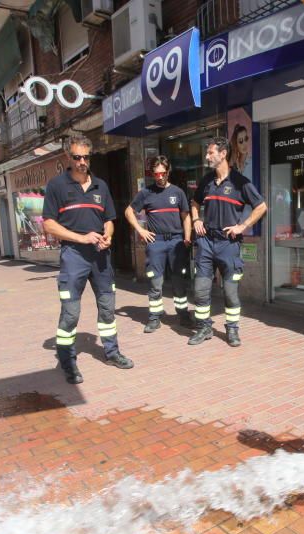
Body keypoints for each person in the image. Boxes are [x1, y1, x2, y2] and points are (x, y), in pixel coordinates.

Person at [42, 133, 134, 384]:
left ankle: (112, 353)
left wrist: (109, 235)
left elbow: (109, 220)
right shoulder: (57, 186)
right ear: (67, 157)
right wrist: (80, 238)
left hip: (101, 257)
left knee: (107, 308)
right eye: (77, 157)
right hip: (74, 256)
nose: (82, 161)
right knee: (71, 312)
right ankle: (67, 360)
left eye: (86, 157)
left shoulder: (100, 186)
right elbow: (49, 225)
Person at [189, 137, 267, 347]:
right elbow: (194, 202)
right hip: (206, 242)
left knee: (230, 292)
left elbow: (261, 207)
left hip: (228, 244)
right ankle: (204, 327)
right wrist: (196, 219)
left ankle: (232, 330)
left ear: (222, 154)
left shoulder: (240, 182)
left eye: (210, 153)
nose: (207, 157)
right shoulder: (206, 181)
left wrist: (242, 226)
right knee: (200, 290)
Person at [124, 156, 193, 333]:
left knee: (179, 280)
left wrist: (187, 237)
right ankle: (154, 317)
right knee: (155, 281)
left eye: (163, 173)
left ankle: (183, 314)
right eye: (156, 174)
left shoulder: (178, 192)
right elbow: (128, 212)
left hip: (177, 241)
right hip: (156, 242)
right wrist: (141, 231)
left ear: (168, 172)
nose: (160, 177)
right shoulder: (146, 193)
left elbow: (186, 216)